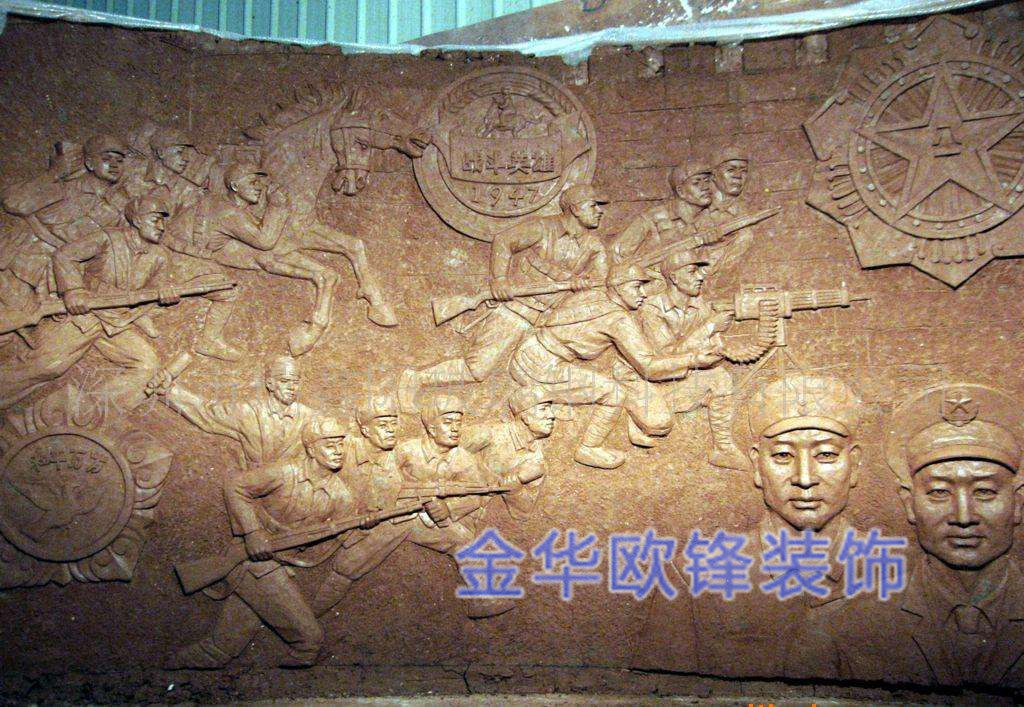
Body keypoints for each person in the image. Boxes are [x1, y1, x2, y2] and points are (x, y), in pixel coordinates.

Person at [788, 383, 1024, 687]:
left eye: (985, 492)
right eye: (939, 493)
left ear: (1017, 503)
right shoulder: (844, 625)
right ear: (909, 504)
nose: (963, 517)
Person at [635, 373, 866, 677]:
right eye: (783, 455)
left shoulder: (902, 575)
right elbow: (660, 688)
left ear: (854, 464)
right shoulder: (691, 575)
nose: (805, 478)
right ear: (757, 465)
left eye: (825, 454)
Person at [398, 183, 609, 411]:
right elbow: (504, 241)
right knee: (477, 369)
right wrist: (499, 280)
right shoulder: (542, 228)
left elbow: (603, 284)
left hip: (549, 323)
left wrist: (584, 285)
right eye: (593, 205)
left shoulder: (594, 246)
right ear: (575, 208)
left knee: (543, 373)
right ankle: (416, 379)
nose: (600, 211)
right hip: (516, 311)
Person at [169, 416, 353, 669]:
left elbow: (331, 542)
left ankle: (173, 666)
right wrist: (253, 533)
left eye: (341, 444)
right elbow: (235, 486)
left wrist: (357, 529)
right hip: (253, 561)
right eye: (330, 445)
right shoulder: (285, 472)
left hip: (280, 566)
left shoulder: (341, 495)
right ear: (311, 449)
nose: (338, 451)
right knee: (310, 641)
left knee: (221, 648)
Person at [509, 261, 706, 469]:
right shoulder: (618, 319)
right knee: (614, 393)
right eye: (636, 287)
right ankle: (589, 447)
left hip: (526, 352)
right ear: (619, 287)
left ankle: (624, 419)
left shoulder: (592, 295)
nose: (643, 294)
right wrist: (693, 359)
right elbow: (648, 367)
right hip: (542, 368)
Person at [0, 192, 175, 412]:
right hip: (85, 315)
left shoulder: (160, 256)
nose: (161, 227)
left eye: (163, 221)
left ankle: (79, 413)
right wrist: (73, 290)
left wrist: (163, 299)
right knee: (47, 366)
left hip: (116, 323)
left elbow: (149, 296)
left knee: (147, 365)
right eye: (155, 219)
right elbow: (65, 255)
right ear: (138, 220)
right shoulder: (108, 238)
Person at [620, 248, 745, 469]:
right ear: (674, 277)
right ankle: (633, 411)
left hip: (676, 377)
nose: (700, 277)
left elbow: (711, 348)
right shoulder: (651, 309)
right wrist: (709, 328)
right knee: (658, 423)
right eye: (692, 271)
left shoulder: (700, 305)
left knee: (720, 378)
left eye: (699, 271)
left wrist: (715, 344)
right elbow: (664, 357)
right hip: (646, 379)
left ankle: (723, 449)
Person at [148, 354, 315, 470]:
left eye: (295, 382)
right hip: (254, 490)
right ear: (270, 384)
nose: (291, 388)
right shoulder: (248, 412)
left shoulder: (310, 418)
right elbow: (207, 413)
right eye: (285, 381)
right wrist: (168, 391)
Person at [611, 160, 714, 264]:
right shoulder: (653, 218)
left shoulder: (714, 216)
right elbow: (620, 254)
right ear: (680, 191)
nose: (705, 187)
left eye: (707, 181)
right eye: (696, 183)